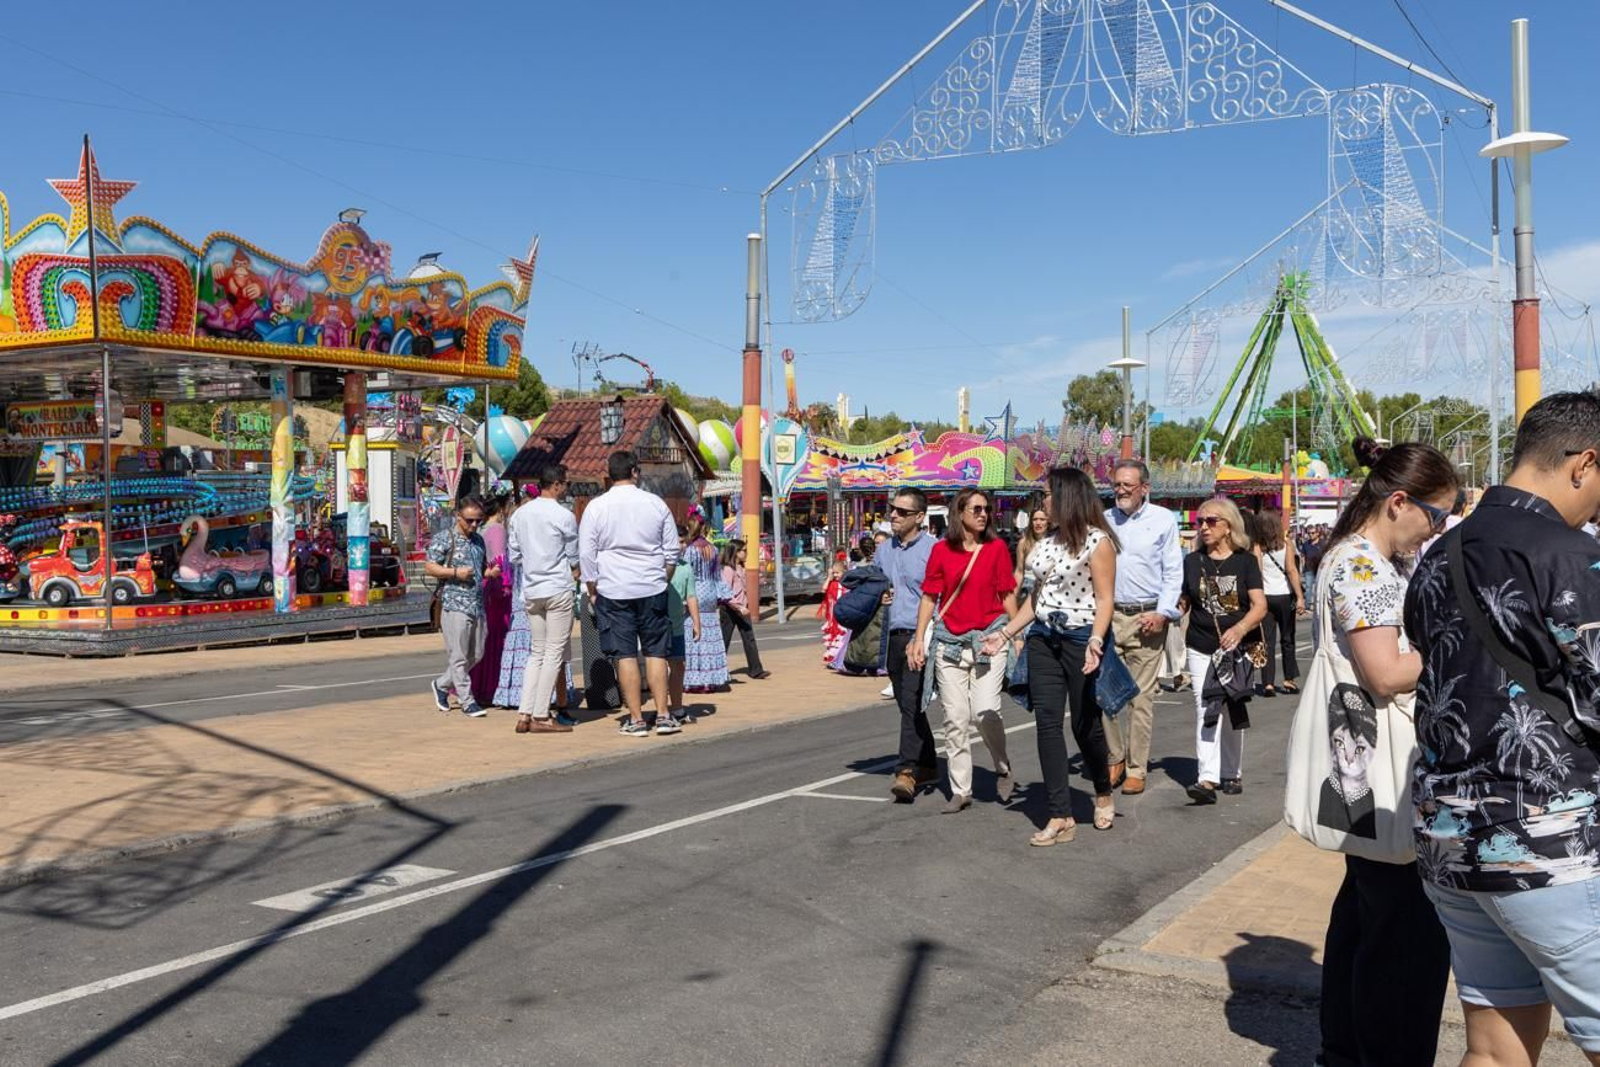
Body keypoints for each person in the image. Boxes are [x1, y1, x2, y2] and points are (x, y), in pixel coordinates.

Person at [1407, 393, 1600, 1067]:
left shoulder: (1439, 555)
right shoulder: (1571, 553)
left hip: (1450, 839)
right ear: (1584, 462)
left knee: (1494, 1048)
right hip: (1553, 842)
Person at [1311, 438, 1458, 1067]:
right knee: (1404, 936)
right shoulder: (1365, 566)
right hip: (1383, 762)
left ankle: (1345, 1050)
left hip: (1358, 761)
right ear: (1398, 501)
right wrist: (1455, 647)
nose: (1438, 528)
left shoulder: (1348, 556)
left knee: (1363, 917)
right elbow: (1386, 674)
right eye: (1436, 514)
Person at [984, 466, 1118, 844]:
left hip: (1081, 639)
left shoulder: (1098, 542)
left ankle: (1103, 791)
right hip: (1044, 638)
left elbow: (1106, 598)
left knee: (1085, 726)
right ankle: (1060, 814)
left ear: (1066, 497)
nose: (1043, 501)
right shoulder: (1044, 544)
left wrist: (1096, 640)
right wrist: (1007, 633)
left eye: (1047, 493)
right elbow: (1036, 598)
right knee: (1047, 724)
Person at [909, 487, 1017, 814]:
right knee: (955, 718)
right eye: (977, 509)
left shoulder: (997, 549)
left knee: (985, 711)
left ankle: (1002, 765)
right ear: (960, 513)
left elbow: (1007, 592)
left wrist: (1018, 633)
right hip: (950, 642)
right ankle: (961, 789)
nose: (983, 514)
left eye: (986, 509)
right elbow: (930, 597)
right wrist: (918, 640)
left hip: (989, 639)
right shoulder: (941, 550)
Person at [578, 450, 680, 738]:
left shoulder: (596, 507)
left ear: (609, 475)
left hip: (613, 588)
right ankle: (663, 715)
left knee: (624, 654)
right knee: (656, 652)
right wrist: (663, 578)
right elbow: (672, 551)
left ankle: (636, 719)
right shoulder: (655, 504)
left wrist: (592, 589)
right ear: (635, 471)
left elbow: (586, 553)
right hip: (652, 585)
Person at [1103, 459, 1183, 796]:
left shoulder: (1163, 520)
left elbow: (1172, 572)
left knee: (1140, 698)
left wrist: (1163, 614)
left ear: (1144, 488)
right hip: (1108, 617)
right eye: (1116, 485)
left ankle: (1137, 769)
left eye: (1127, 485)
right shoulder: (1104, 521)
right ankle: (1115, 756)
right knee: (1102, 693)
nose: (1120, 491)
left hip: (1146, 618)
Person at [1180, 496, 1266, 805]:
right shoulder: (1192, 561)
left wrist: (1240, 628)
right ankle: (1207, 777)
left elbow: (1259, 606)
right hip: (1201, 644)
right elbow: (1184, 600)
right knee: (1206, 706)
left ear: (1228, 527)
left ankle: (1232, 771)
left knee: (1232, 707)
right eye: (1199, 522)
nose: (1203, 527)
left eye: (1210, 521)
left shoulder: (1245, 562)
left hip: (1238, 648)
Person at [504, 465, 580, 735]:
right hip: (557, 587)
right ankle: (540, 715)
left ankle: (525, 713)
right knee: (553, 653)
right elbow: (573, 555)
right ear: (557, 484)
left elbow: (514, 555)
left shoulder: (520, 514)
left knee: (537, 652)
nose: (567, 488)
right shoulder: (563, 515)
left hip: (532, 588)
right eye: (566, 484)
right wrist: (576, 571)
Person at [879, 487, 938, 803]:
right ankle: (929, 763)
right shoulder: (884, 550)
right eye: (892, 509)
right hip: (892, 636)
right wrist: (879, 595)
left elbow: (940, 597)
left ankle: (907, 771)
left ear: (919, 517)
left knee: (912, 702)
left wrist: (927, 637)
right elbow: (875, 584)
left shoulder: (934, 550)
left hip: (920, 638)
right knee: (907, 703)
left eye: (902, 511)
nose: (894, 515)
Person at [425, 495, 501, 718]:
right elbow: (430, 566)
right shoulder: (445, 538)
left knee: (476, 654)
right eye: (470, 520)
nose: (474, 524)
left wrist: (491, 573)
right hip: (454, 604)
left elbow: (480, 569)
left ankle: (441, 684)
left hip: (477, 604)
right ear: (458, 516)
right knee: (458, 656)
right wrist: (455, 573)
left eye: (478, 520)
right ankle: (467, 701)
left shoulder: (478, 540)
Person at [1251, 509, 1305, 697]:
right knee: (1288, 639)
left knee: (1266, 641)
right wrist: (1300, 596)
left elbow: (1257, 574)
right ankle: (1289, 679)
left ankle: (1268, 683)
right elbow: (1291, 570)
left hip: (1266, 598)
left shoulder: (1257, 547)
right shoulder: (1286, 543)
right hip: (1285, 596)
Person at [469, 494, 512, 707]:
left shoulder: (484, 530)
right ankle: (490, 685)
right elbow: (499, 561)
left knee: (485, 638)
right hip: (496, 590)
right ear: (503, 509)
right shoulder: (498, 530)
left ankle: (478, 684)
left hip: (486, 588)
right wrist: (506, 585)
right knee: (495, 637)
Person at [681, 507, 730, 693]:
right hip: (710, 592)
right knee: (710, 635)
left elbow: (686, 574)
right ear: (704, 528)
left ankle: (696, 679)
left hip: (695, 593)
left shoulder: (690, 551)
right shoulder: (714, 549)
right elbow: (717, 576)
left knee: (694, 634)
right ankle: (711, 679)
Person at [718, 539, 771, 680]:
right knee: (724, 640)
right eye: (744, 550)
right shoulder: (728, 570)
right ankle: (717, 671)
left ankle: (756, 670)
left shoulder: (740, 568)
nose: (746, 553)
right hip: (730, 609)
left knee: (749, 638)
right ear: (736, 552)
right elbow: (725, 592)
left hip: (742, 608)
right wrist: (738, 607)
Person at [665, 526, 701, 724]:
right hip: (658, 624)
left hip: (678, 624)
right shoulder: (658, 565)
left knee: (678, 665)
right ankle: (662, 709)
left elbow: (691, 595)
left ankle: (677, 708)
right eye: (678, 542)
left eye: (684, 541)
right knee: (659, 667)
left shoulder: (686, 567)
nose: (682, 545)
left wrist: (697, 622)